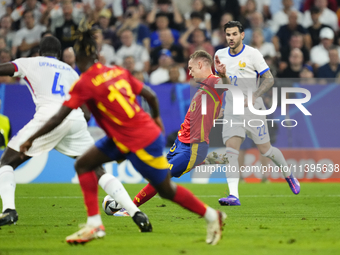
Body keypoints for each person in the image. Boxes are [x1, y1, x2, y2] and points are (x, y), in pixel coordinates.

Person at [20, 28, 227, 245]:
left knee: (164, 188)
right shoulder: (117, 71)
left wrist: (30, 138)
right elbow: (150, 95)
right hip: (132, 134)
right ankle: (95, 225)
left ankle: (212, 215)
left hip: (138, 137)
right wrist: (156, 118)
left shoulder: (85, 82)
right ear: (97, 55)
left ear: (80, 58)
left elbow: (57, 118)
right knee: (84, 164)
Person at [0, 36, 149, 243]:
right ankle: (135, 213)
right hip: (75, 119)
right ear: (60, 55)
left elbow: (5, 69)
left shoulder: (30, 62)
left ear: (39, 52)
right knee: (98, 171)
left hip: (49, 117)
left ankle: (9, 211)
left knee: (6, 162)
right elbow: (87, 112)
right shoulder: (69, 71)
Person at [117, 50, 226, 214]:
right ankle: (217, 159)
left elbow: (225, 85)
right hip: (180, 142)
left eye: (191, 68)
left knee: (161, 178)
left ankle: (129, 210)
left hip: (193, 146)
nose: (189, 72)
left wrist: (224, 76)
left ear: (201, 64)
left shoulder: (213, 82)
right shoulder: (202, 88)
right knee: (156, 174)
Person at [214, 21, 300, 206]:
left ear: (242, 35)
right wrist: (220, 98)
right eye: (228, 34)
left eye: (234, 34)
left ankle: (288, 174)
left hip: (253, 110)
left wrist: (255, 95)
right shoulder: (219, 55)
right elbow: (225, 85)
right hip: (232, 110)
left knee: (266, 150)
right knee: (231, 151)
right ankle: (233, 195)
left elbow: (268, 79)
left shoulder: (252, 53)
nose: (231, 38)